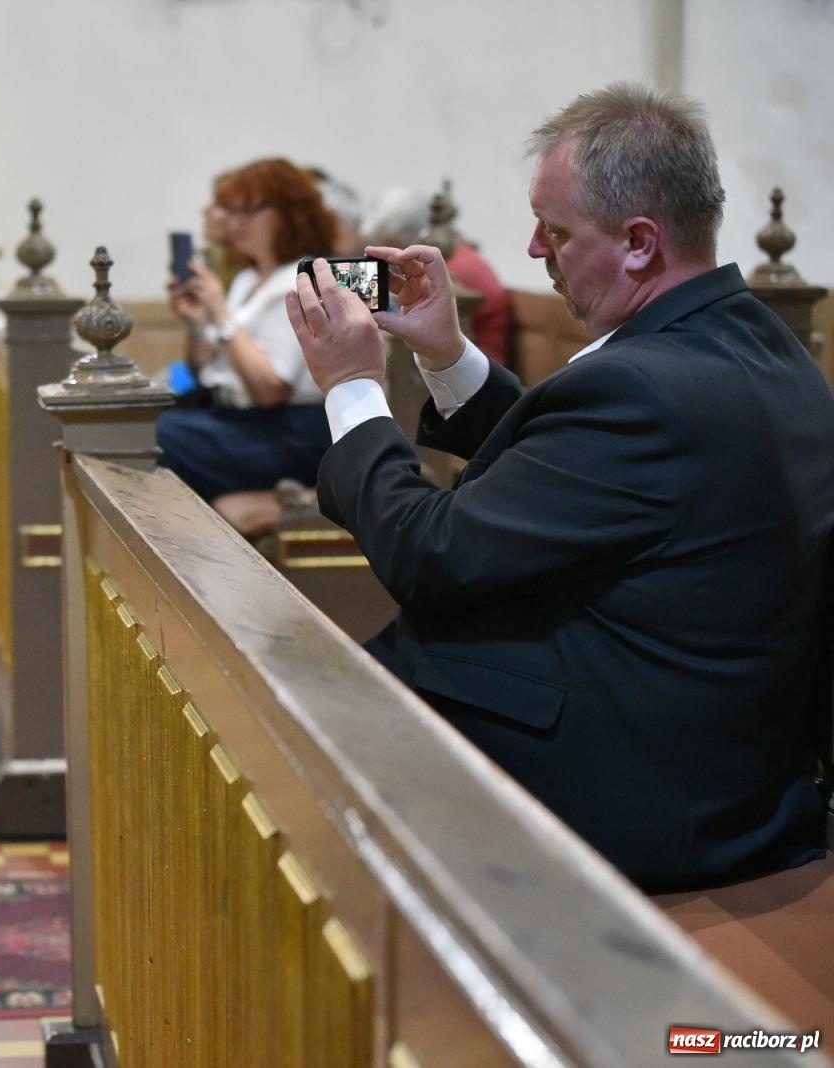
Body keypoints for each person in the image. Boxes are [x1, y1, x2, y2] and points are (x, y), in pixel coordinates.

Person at [285, 82, 834, 892]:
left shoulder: (645, 392)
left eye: (555, 229)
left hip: (643, 789)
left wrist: (353, 388)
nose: (535, 250)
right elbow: (583, 474)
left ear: (640, 242)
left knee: (288, 714)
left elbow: (431, 555)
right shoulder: (751, 344)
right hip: (716, 752)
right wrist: (445, 356)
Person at [160, 158, 337, 500]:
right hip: (239, 419)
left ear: (285, 213)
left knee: (155, 436)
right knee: (137, 419)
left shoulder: (306, 279)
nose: (233, 223)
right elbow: (202, 370)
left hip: (290, 431)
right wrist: (197, 326)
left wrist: (220, 313)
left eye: (246, 212)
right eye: (230, 211)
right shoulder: (247, 279)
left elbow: (270, 391)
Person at [362, 186, 513, 366]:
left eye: (392, 244)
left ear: (408, 238)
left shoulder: (451, 269)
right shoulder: (446, 259)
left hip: (477, 371)